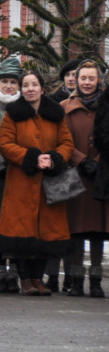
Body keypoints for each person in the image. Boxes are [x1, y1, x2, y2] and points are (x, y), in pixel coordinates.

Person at [0, 70, 74, 296]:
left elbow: (67, 142)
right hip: (21, 182)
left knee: (44, 233)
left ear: (42, 89)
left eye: (33, 84)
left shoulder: (55, 115)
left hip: (49, 181)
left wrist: (55, 158)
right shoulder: (13, 114)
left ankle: (39, 279)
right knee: (22, 233)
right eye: (25, 85)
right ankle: (25, 280)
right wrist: (31, 157)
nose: (29, 89)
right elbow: (5, 144)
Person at [61, 60, 107, 297]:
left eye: (92, 78)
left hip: (102, 176)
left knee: (98, 230)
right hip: (75, 175)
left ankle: (97, 279)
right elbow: (61, 140)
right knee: (77, 230)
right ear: (76, 80)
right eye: (83, 78)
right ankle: (76, 280)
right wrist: (81, 160)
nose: (87, 83)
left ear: (98, 80)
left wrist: (99, 161)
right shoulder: (63, 107)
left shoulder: (106, 106)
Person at [0, 56, 22, 293]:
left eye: (13, 82)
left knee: (19, 226)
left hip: (20, 173)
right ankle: (1, 273)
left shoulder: (25, 106)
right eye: (4, 81)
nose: (8, 86)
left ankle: (15, 274)